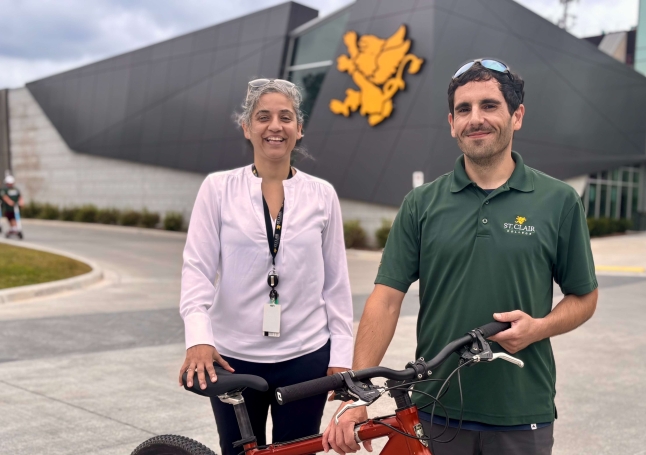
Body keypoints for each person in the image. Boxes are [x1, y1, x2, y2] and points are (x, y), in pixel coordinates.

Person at [322, 59, 599, 455]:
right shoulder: (421, 204)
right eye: (464, 109)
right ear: (452, 123)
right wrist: (357, 394)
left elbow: (584, 297)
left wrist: (538, 328)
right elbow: (385, 300)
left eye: (489, 106)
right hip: (433, 410)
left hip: (521, 412)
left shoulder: (558, 201)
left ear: (516, 116)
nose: (476, 119)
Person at [178, 78, 354, 455]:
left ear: (299, 129)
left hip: (306, 357)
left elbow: (336, 284)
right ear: (247, 127)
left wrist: (340, 358)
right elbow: (197, 269)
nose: (275, 126)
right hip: (233, 357)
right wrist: (198, 337)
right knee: (239, 452)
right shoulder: (217, 188)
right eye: (263, 117)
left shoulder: (322, 195)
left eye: (285, 117)